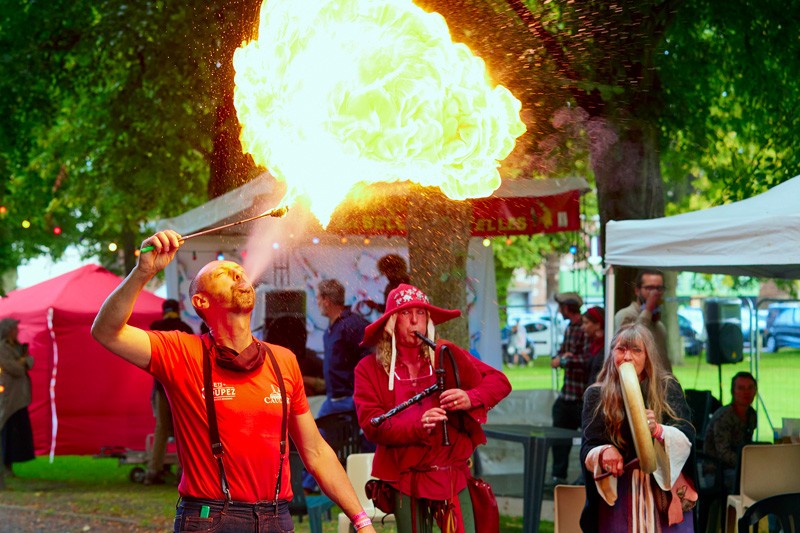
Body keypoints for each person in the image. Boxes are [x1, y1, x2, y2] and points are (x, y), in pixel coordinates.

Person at [91, 230, 376, 533]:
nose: (238, 275)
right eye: (225, 274)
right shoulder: (181, 352)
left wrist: (361, 521)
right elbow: (107, 331)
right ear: (201, 301)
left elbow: (316, 451)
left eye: (240, 271)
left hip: (276, 519)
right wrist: (142, 272)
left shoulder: (283, 361)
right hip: (210, 518)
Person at [353, 284, 511, 533]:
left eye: (421, 313)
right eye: (406, 313)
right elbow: (371, 425)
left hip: (450, 471)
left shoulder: (446, 353)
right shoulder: (368, 369)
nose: (415, 321)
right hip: (403, 476)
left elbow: (500, 382)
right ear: (391, 322)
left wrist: (471, 397)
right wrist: (418, 425)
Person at [580, 323, 696, 532]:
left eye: (636, 350)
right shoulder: (596, 395)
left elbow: (687, 435)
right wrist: (604, 451)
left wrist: (659, 431)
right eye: (621, 349)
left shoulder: (668, 388)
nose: (627, 357)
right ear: (612, 354)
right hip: (621, 492)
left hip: (663, 489)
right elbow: (589, 446)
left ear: (647, 356)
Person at [302, 278, 370, 492]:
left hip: (350, 398)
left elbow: (368, 357)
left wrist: (362, 393)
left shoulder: (353, 325)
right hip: (335, 398)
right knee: (314, 436)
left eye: (319, 298)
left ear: (327, 300)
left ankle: (308, 486)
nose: (317, 303)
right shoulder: (332, 329)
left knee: (318, 437)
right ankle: (309, 485)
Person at [145, 299, 194, 485]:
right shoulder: (185, 328)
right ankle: (182, 473)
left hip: (160, 385)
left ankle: (153, 471)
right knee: (183, 430)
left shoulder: (155, 327)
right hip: (181, 387)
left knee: (161, 430)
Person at [549, 291, 589, 485]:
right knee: (558, 437)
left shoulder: (585, 327)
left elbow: (587, 359)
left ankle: (586, 478)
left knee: (588, 439)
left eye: (561, 307)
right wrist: (558, 356)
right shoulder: (570, 327)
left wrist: (563, 360)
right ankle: (558, 476)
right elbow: (564, 351)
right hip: (568, 394)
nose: (559, 310)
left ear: (567, 307)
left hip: (582, 396)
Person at [703, 371, 757, 492]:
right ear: (733, 391)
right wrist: (747, 464)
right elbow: (723, 453)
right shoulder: (724, 417)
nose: (746, 392)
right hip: (716, 471)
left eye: (750, 388)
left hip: (738, 469)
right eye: (741, 388)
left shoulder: (752, 415)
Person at [614, 269, 673, 373]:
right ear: (637, 290)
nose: (655, 293)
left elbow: (664, 363)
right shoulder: (625, 315)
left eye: (659, 288)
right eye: (649, 288)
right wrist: (648, 310)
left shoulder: (659, 326)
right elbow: (631, 343)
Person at [0, 318, 36, 486]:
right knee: (8, 429)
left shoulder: (18, 347)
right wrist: (22, 363)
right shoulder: (3, 348)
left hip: (20, 396)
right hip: (9, 396)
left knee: (17, 432)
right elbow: (13, 368)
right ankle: (4, 465)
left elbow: (30, 361)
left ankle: (10, 464)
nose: (17, 331)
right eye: (14, 328)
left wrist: (23, 361)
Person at [583, 306, 606, 385]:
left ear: (597, 324)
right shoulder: (593, 344)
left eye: (586, 323)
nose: (583, 327)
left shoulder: (605, 346)